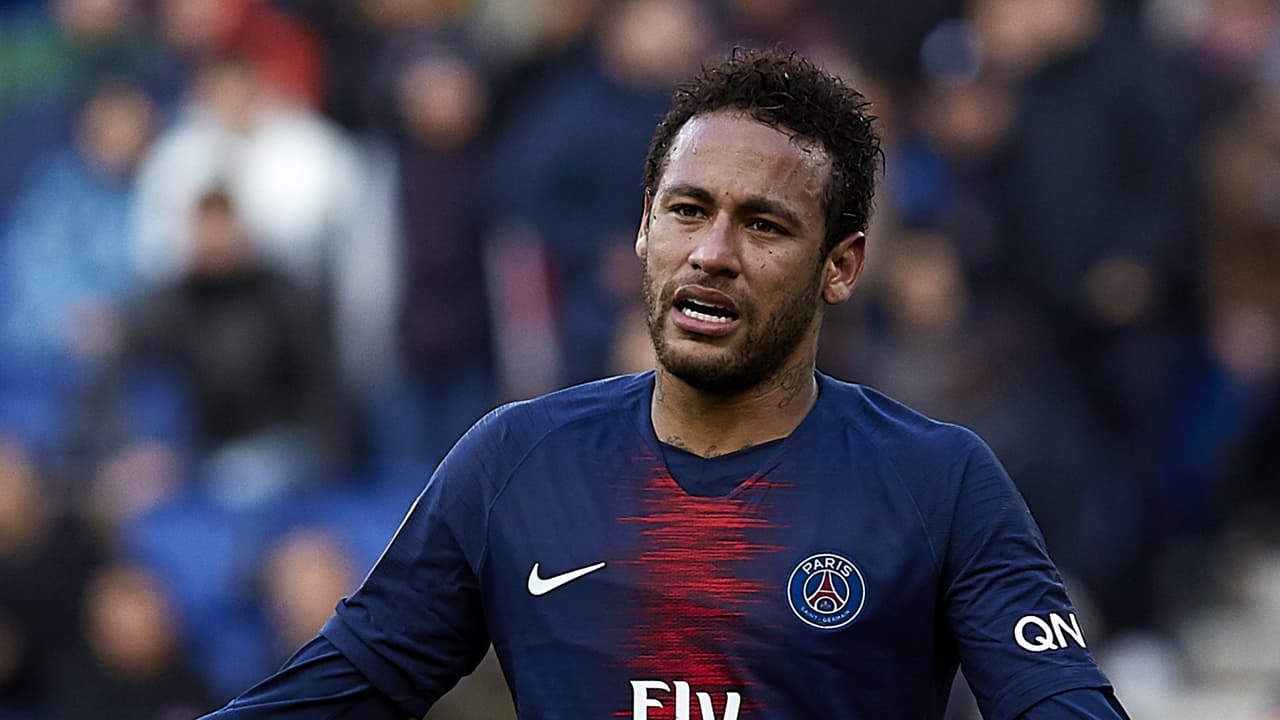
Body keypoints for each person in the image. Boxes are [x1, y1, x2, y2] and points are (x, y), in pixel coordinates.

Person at [203, 49, 1129, 719]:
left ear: (842, 267)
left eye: (764, 225)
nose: (713, 253)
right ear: (645, 227)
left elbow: (1059, 701)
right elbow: (331, 695)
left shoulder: (938, 482)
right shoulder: (514, 461)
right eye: (689, 210)